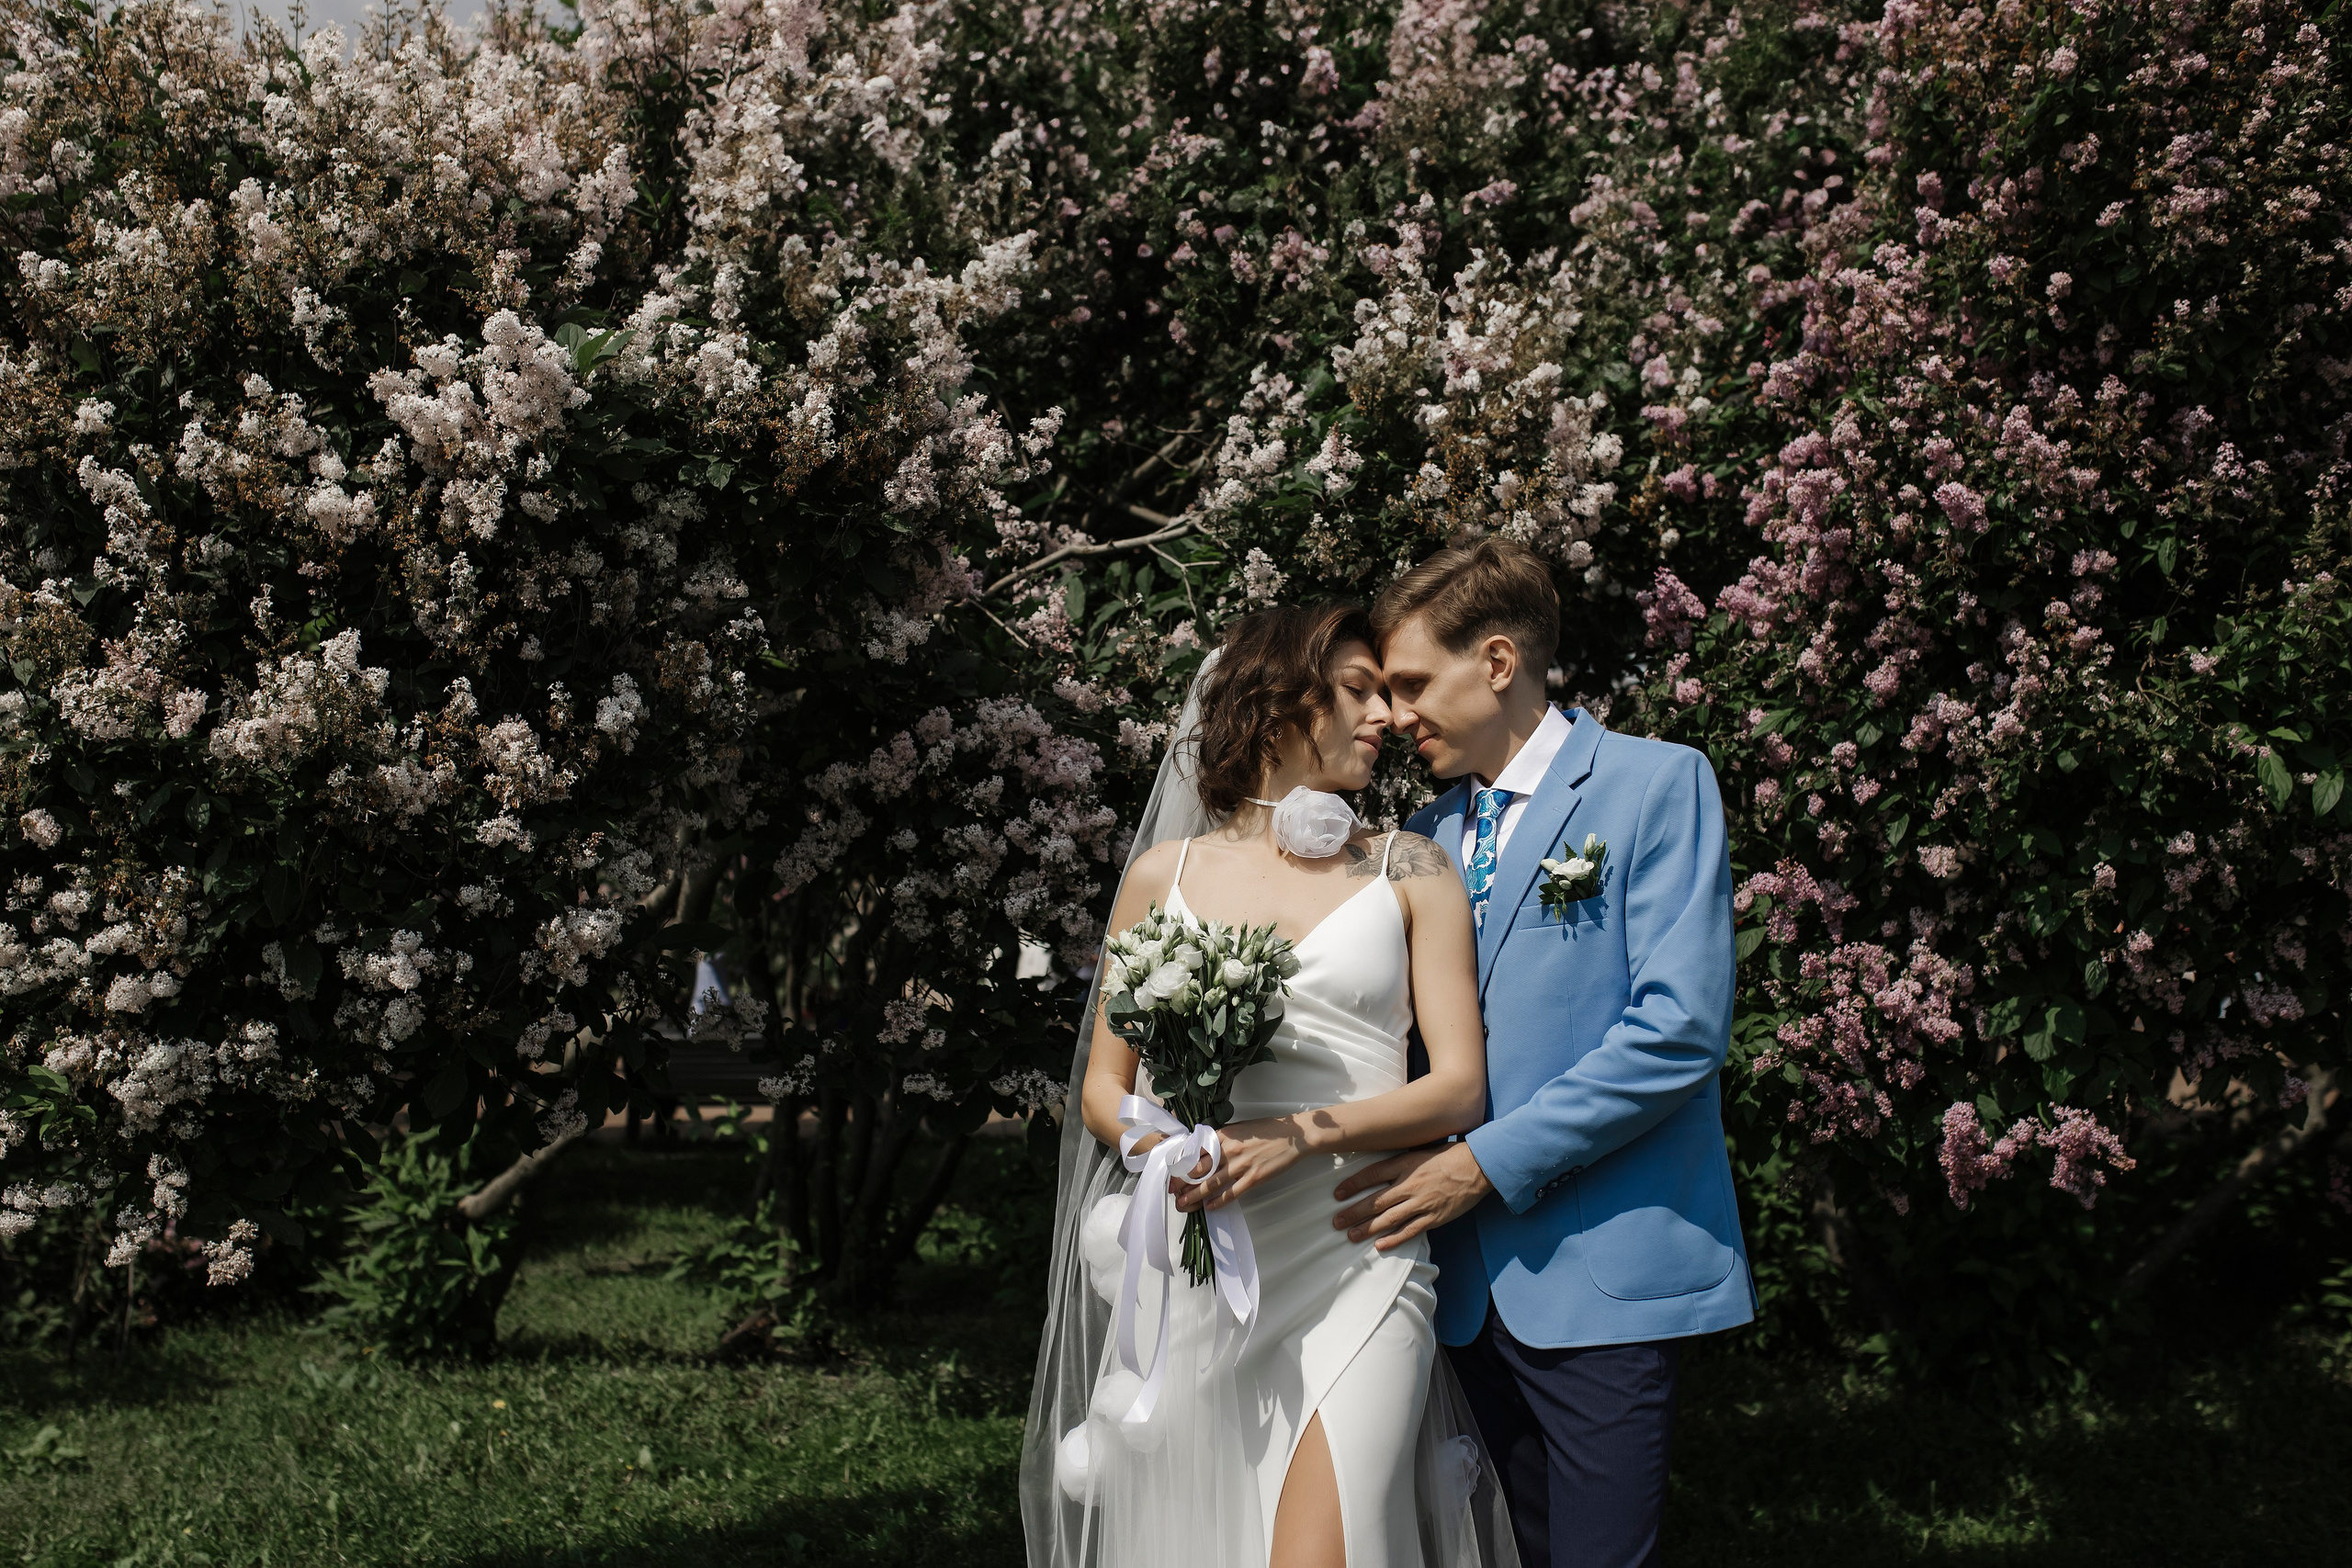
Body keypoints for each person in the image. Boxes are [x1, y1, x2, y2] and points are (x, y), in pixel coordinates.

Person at [1022, 604, 1520, 1568]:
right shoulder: (1162, 877)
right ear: (1281, 701)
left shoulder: (1407, 866)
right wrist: (1167, 1150)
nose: (1386, 716)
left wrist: (1299, 1134)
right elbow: (1103, 1090)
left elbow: (1460, 1089)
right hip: (1203, 1252)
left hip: (1357, 1251)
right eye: (1360, 690)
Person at [1332, 538, 1756, 1568]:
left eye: (1412, 683)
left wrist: (1480, 1165)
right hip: (1455, 1292)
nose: (1394, 716)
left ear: (1498, 660)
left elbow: (1676, 1035)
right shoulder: (1426, 830)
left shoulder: (1656, 784)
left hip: (1598, 1273)